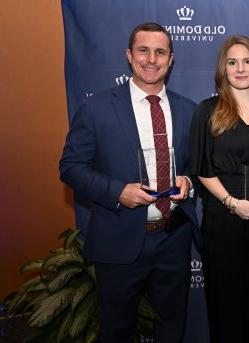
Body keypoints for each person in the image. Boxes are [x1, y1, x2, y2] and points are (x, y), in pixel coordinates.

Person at [59, 22, 198, 342]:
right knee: (117, 330)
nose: (152, 59)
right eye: (143, 50)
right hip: (119, 238)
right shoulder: (96, 108)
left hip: (172, 237)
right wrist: (118, 192)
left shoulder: (188, 111)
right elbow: (71, 167)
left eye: (160, 52)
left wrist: (188, 181)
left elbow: (196, 168)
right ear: (129, 56)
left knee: (172, 326)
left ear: (171, 59)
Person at [188, 35, 249, 343]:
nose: (240, 68)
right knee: (227, 304)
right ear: (223, 69)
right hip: (224, 218)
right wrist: (232, 203)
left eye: (247, 61)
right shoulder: (208, 111)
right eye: (233, 62)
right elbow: (202, 169)